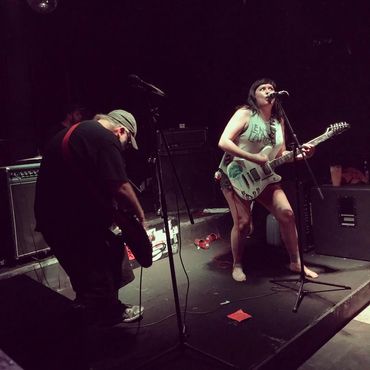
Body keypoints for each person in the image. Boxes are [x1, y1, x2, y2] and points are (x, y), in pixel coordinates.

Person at [34, 109, 147, 325]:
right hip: (74, 224)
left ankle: (89, 312)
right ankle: (102, 339)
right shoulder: (105, 137)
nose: (124, 148)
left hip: (51, 221)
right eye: (127, 142)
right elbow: (121, 186)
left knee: (86, 278)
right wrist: (140, 216)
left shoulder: (75, 133)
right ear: (121, 131)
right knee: (100, 280)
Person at [216, 78, 318, 282]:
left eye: (271, 88)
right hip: (235, 174)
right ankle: (237, 264)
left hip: (265, 177)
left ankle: (295, 261)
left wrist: (301, 155)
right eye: (262, 88)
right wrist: (253, 158)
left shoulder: (278, 121)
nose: (268, 91)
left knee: (287, 214)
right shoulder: (245, 113)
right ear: (254, 95)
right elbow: (223, 141)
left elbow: (280, 154)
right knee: (243, 223)